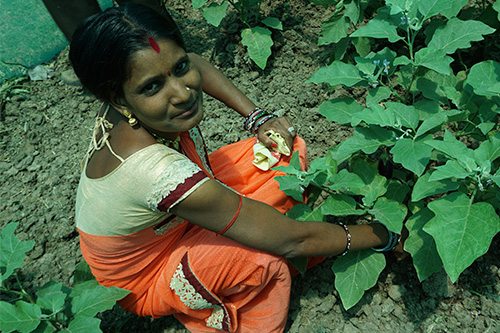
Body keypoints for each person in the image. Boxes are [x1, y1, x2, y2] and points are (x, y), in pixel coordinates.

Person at [71, 4, 402, 332]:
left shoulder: (131, 88)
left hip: (172, 216)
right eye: (153, 87)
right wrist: (384, 235)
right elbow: (292, 242)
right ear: (118, 99)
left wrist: (258, 118)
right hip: (147, 272)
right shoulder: (157, 172)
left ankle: (252, 234)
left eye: (179, 67)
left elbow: (195, 64)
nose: (182, 93)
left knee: (283, 149)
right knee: (261, 259)